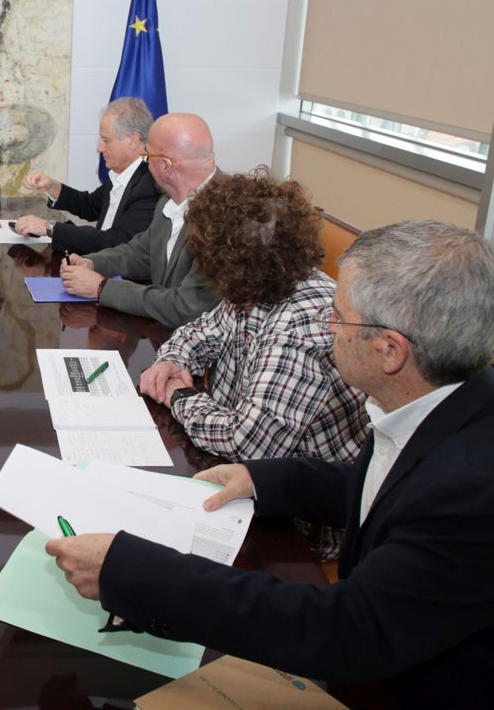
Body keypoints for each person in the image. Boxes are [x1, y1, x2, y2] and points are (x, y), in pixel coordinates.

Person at [46, 220, 494, 705]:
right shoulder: (443, 403)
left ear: (390, 350)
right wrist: (261, 479)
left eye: (338, 318)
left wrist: (131, 572)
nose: (327, 327)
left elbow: (342, 630)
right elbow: (388, 491)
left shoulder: (472, 486)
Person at [139, 172, 368, 465]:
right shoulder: (257, 286)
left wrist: (179, 396)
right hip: (241, 467)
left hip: (299, 497)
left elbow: (246, 442)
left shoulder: (300, 329)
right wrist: (171, 361)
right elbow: (198, 332)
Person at [59, 112, 221, 331]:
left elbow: (186, 308)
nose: (145, 165)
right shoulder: (168, 203)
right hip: (165, 339)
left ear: (165, 166)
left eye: (147, 158)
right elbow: (140, 252)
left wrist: (101, 288)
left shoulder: (226, 219)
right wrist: (91, 262)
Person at [13, 97, 159, 252]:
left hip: (118, 273)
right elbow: (89, 206)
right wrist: (52, 186)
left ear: (132, 140)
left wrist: (49, 228)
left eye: (106, 140)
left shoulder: (151, 184)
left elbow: (118, 242)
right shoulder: (121, 173)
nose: (99, 148)